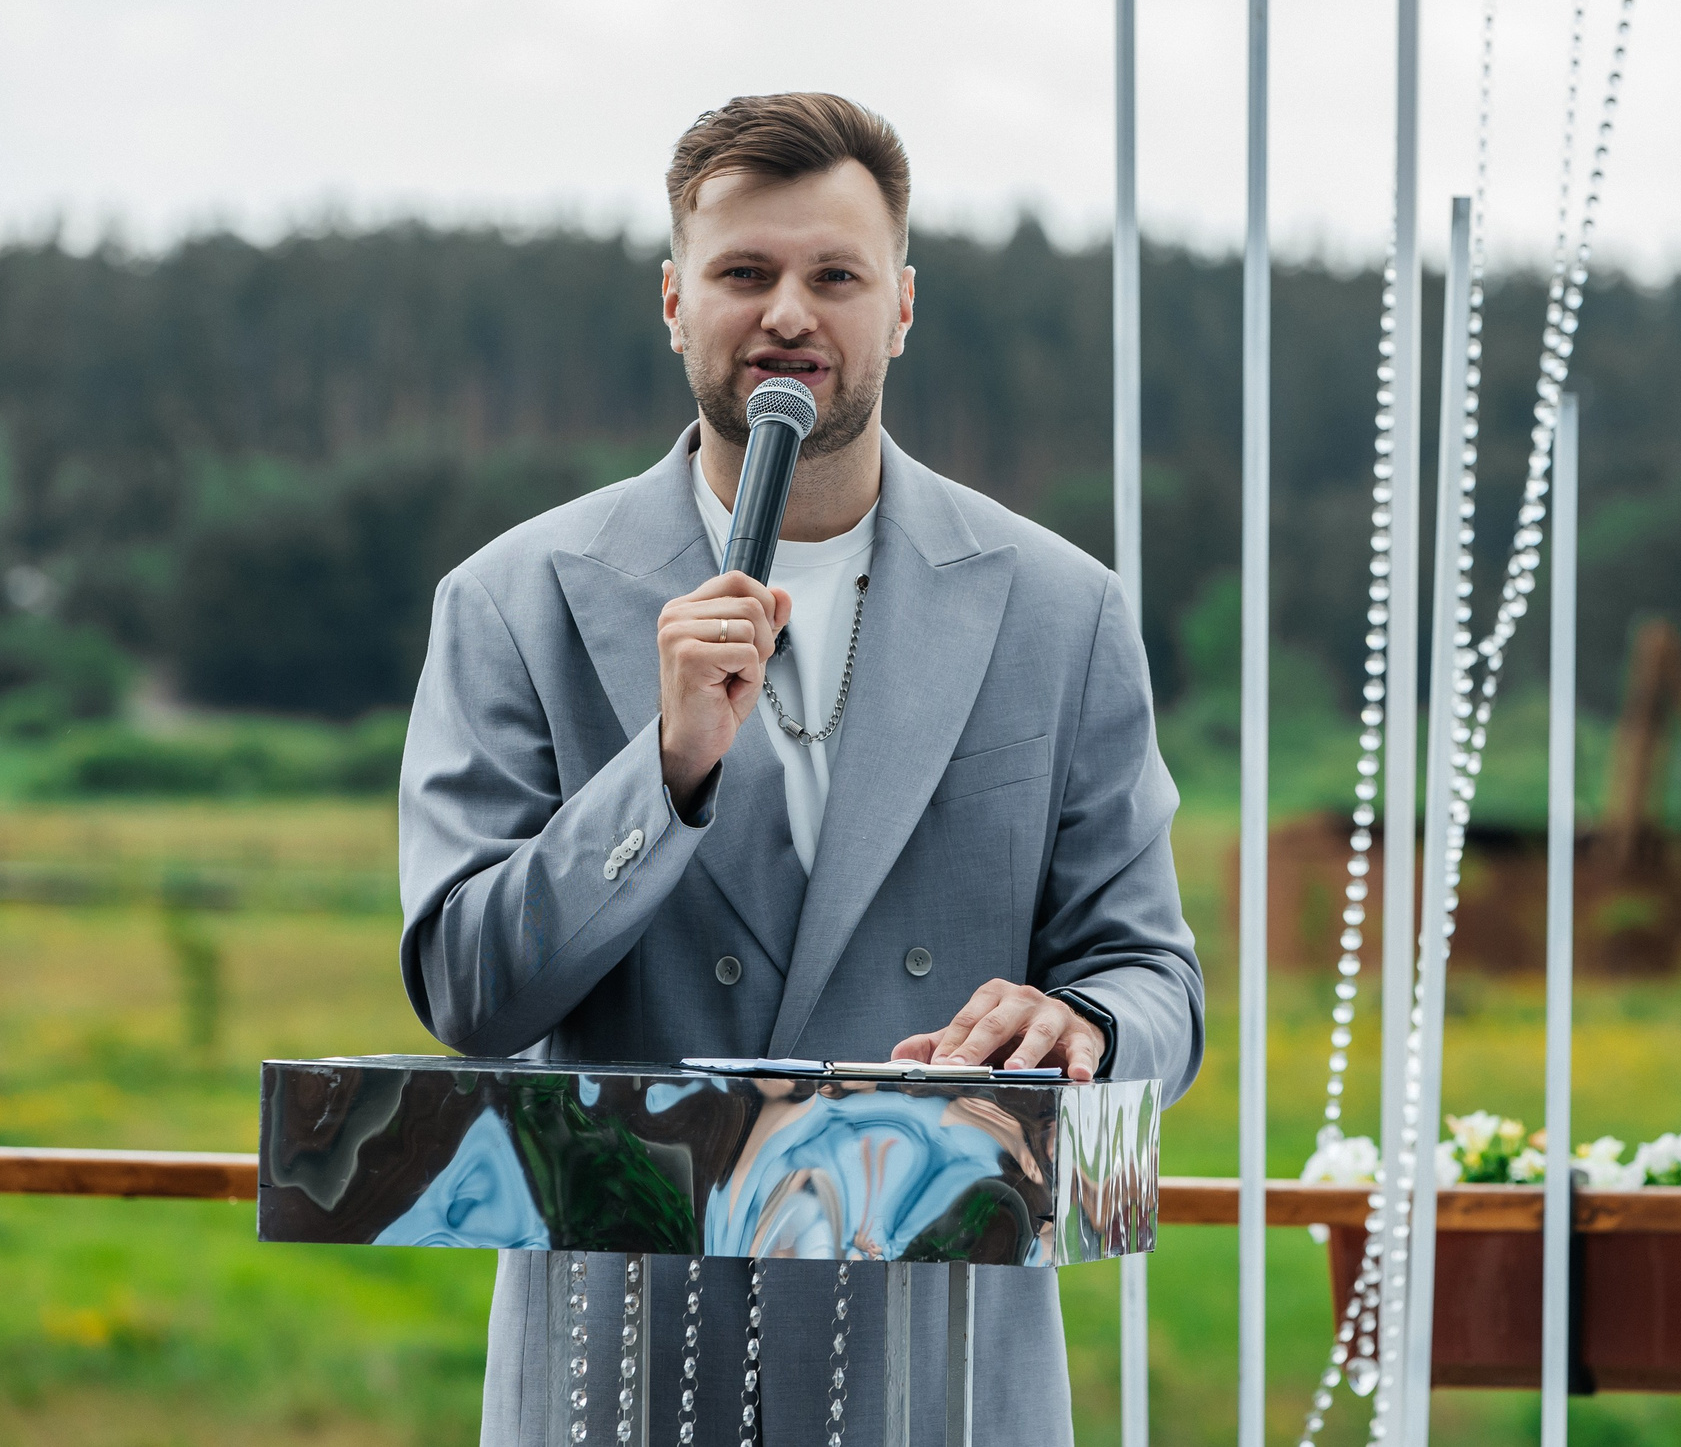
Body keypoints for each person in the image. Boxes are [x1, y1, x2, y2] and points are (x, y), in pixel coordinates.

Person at [396, 92, 1203, 1446]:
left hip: (943, 1372)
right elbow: (469, 991)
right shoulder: (512, 599)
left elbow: (1152, 974)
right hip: (625, 1369)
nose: (788, 313)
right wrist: (662, 775)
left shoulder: (1064, 612)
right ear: (673, 300)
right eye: (744, 274)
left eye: (835, 275)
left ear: (899, 307)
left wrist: (1093, 1029)